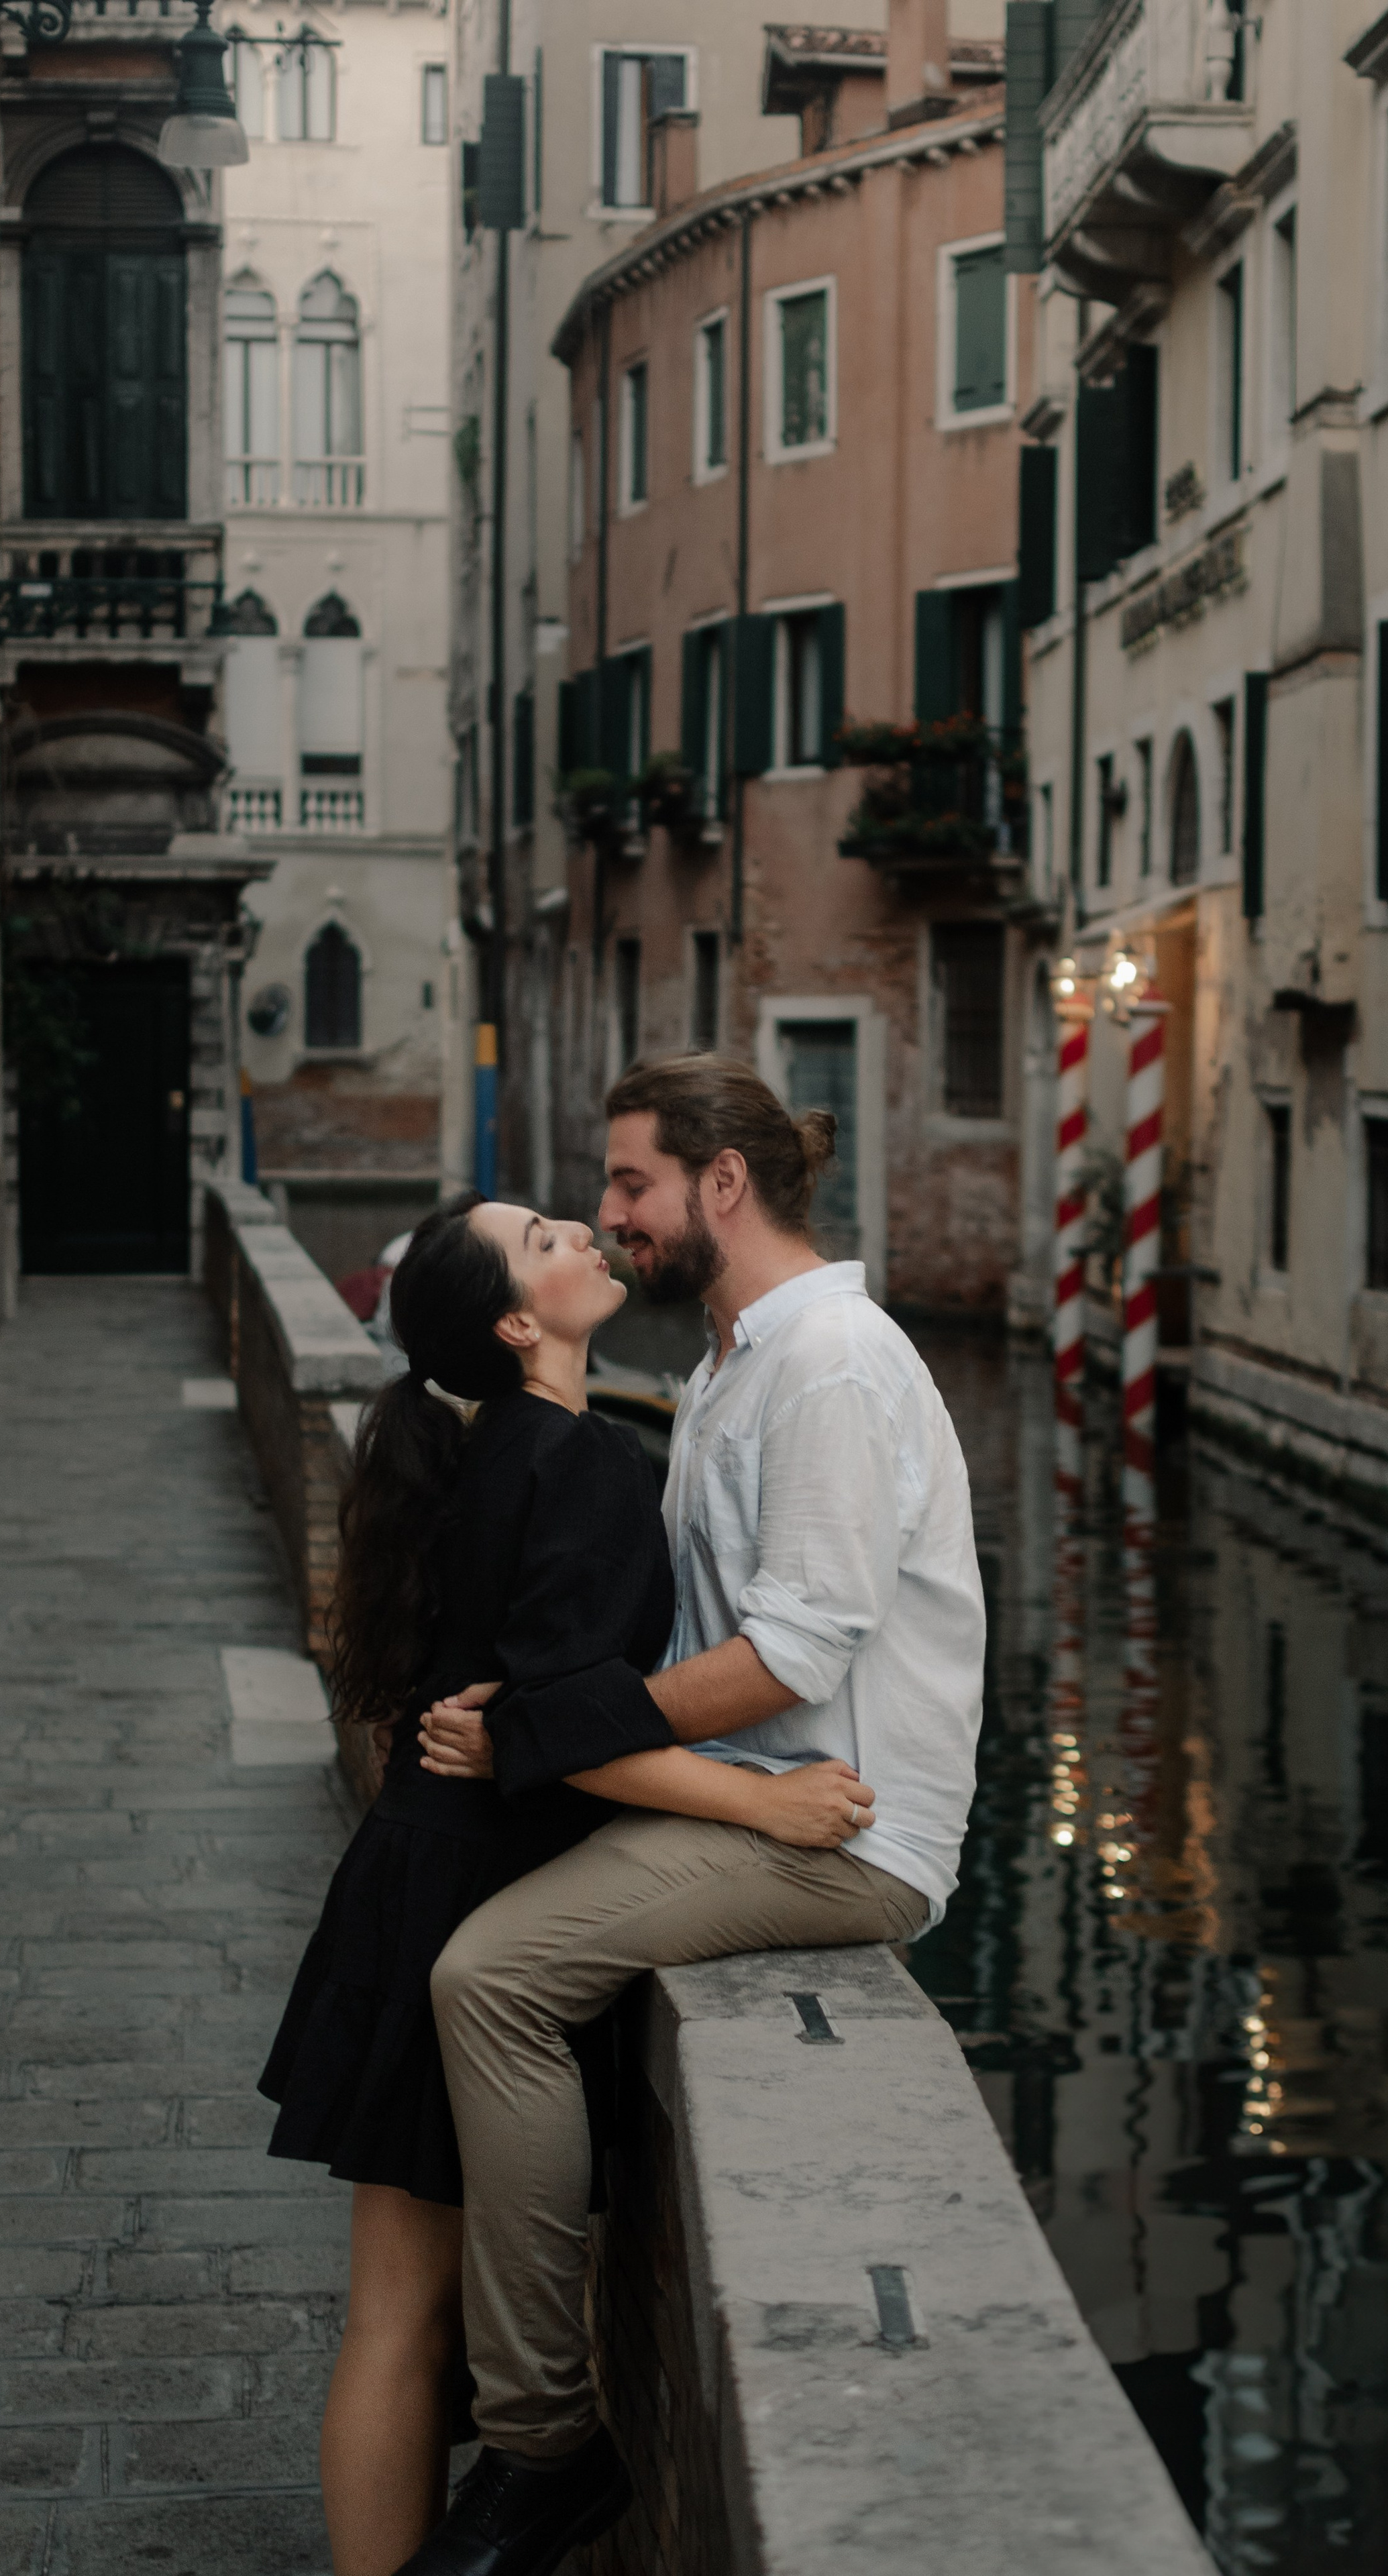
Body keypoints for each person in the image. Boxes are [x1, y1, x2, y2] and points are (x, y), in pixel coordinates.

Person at [408, 1056, 987, 2576]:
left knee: (490, 1978)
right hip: (743, 1804)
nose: (608, 1220)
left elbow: (793, 1655)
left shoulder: (831, 1366)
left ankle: (541, 2441)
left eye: (627, 1186)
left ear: (718, 1184)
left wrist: (546, 1731)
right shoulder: (736, 1359)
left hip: (844, 1839)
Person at [257, 1189, 877, 2576]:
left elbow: (526, 1709)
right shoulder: (583, 1464)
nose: (586, 1238)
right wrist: (763, 1803)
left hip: (409, 1870)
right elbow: (575, 1730)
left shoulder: (484, 1453)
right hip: (461, 1882)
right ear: (514, 1321)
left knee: (389, 2315)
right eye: (548, 1241)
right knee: (403, 2322)